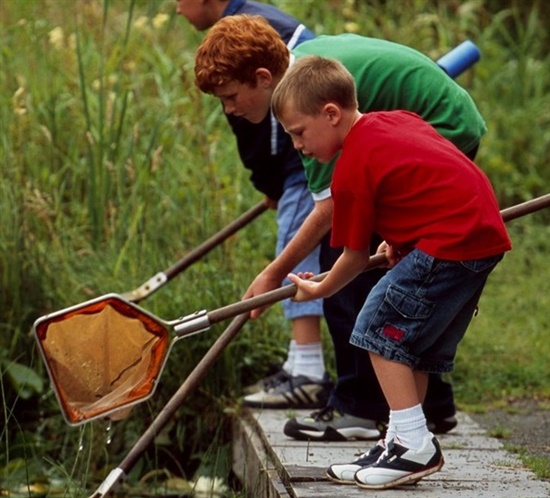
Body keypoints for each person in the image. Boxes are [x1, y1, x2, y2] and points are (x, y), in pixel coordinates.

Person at [194, 14, 486, 442]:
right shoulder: (305, 79)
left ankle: (360, 408)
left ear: (262, 77)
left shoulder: (305, 102)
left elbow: (331, 211)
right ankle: (431, 408)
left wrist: (275, 272)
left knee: (346, 262)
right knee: (385, 266)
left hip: (445, 131)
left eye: (232, 96)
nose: (230, 109)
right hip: (425, 131)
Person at [272, 55, 512, 489]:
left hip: (450, 241)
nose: (297, 146)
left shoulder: (351, 168)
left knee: (378, 328)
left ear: (331, 113)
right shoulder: (394, 120)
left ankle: (414, 446)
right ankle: (398, 441)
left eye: (299, 133)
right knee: (410, 346)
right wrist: (403, 239)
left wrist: (320, 287)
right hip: (475, 234)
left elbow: (351, 257)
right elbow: (425, 177)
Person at [176, 0, 333, 409]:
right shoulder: (228, 41)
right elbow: (248, 123)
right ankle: (301, 361)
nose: (177, 10)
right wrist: (268, 183)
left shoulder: (261, 33)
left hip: (306, 153)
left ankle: (309, 370)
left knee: (298, 245)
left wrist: (274, 180)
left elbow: (293, 100)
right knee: (295, 240)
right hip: (295, 157)